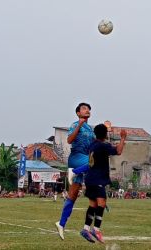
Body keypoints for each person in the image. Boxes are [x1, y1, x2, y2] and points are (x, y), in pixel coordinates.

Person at [80, 124, 126, 243]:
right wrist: (122, 138)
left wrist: (112, 145)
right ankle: (96, 229)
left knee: (93, 205)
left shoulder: (93, 145)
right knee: (102, 203)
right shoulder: (103, 146)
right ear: (105, 134)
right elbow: (119, 151)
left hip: (90, 178)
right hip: (97, 179)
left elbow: (108, 149)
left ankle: (86, 229)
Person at [56, 103, 95, 240]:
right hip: (77, 158)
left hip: (86, 158)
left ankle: (61, 223)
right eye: (84, 109)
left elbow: (94, 143)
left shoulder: (90, 129)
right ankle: (75, 172)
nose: (88, 110)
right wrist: (79, 125)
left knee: (72, 195)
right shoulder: (74, 124)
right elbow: (69, 140)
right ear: (78, 113)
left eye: (89, 109)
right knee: (94, 164)